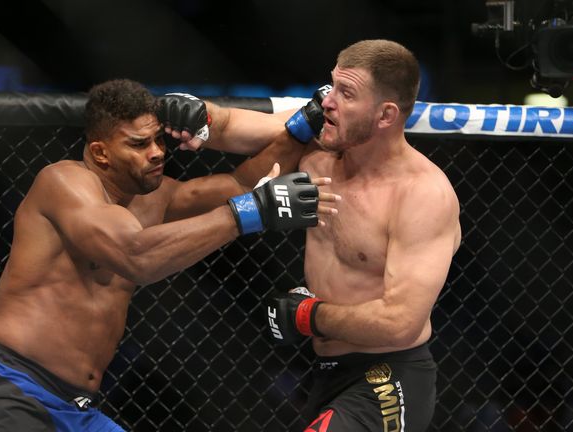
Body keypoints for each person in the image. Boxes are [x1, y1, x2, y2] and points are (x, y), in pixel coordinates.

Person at [0, 79, 340, 432]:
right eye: (138, 144)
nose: (155, 153)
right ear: (101, 153)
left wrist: (301, 129)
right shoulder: (64, 184)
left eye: (158, 140)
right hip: (8, 392)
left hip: (73, 409)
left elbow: (239, 183)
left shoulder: (155, 198)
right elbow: (136, 256)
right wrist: (252, 213)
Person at [187, 40, 462, 431]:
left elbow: (399, 321)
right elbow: (230, 126)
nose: (328, 101)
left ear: (385, 115)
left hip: (389, 377)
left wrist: (306, 317)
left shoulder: (422, 195)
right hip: (322, 371)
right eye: (332, 85)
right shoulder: (319, 147)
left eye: (346, 93)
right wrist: (190, 115)